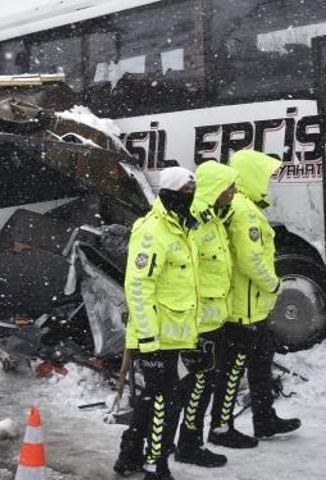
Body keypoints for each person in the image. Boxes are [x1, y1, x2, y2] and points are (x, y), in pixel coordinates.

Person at [207, 149, 301, 450]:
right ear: (252, 175)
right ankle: (221, 428)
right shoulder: (243, 209)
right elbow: (249, 260)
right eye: (266, 176)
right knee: (232, 370)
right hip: (242, 310)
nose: (270, 182)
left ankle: (264, 418)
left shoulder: (244, 205)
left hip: (252, 307)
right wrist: (273, 284)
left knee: (260, 363)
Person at [115, 166, 200, 480]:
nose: (191, 198)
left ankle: (130, 456)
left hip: (173, 334)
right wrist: (149, 339)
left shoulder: (180, 228)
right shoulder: (153, 230)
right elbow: (138, 286)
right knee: (166, 402)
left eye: (194, 192)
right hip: (154, 337)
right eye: (186, 192)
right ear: (170, 194)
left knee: (153, 400)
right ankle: (156, 465)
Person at [172, 160, 238, 469]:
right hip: (199, 324)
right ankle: (188, 445)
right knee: (197, 386)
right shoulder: (196, 222)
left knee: (203, 384)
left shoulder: (213, 219)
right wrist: (192, 326)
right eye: (229, 187)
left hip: (215, 320)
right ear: (215, 189)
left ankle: (187, 441)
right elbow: (189, 276)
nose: (234, 191)